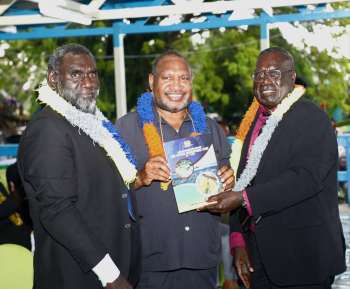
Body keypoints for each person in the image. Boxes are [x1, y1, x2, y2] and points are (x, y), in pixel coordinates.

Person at [203, 47, 346, 289]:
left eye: (274, 72)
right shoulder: (251, 125)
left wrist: (242, 198)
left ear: (292, 77)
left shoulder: (312, 119)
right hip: (257, 261)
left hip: (303, 261)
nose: (265, 80)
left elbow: (305, 179)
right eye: (259, 74)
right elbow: (242, 181)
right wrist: (238, 242)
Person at [17, 44, 140, 289]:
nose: (88, 81)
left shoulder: (92, 123)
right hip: (79, 274)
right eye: (76, 74)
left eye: (92, 73)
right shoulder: (48, 129)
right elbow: (57, 210)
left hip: (115, 264)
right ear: (53, 79)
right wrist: (110, 274)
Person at [116, 51, 234, 289]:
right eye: (168, 77)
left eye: (184, 78)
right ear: (152, 81)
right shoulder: (126, 129)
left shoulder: (211, 128)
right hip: (150, 263)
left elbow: (226, 189)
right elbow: (106, 191)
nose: (176, 86)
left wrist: (228, 180)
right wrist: (140, 177)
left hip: (202, 260)